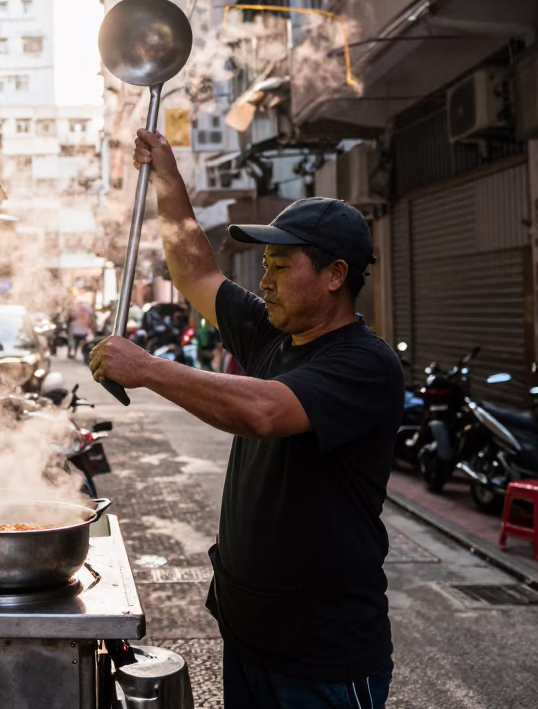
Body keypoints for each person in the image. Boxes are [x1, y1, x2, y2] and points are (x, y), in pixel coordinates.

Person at [89, 129, 403, 709]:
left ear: (336, 275)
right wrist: (167, 176)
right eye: (265, 265)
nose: (264, 281)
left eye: (281, 266)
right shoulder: (272, 332)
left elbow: (264, 411)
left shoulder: (364, 363)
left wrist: (148, 368)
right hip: (250, 633)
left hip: (324, 656)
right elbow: (195, 273)